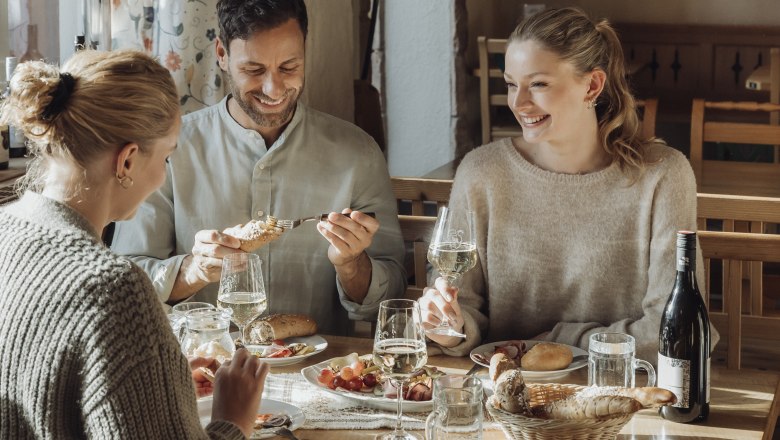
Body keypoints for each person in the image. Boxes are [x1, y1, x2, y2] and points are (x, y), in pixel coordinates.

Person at [419, 7, 718, 363]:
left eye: (538, 84)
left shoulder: (663, 175)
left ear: (592, 85)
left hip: (621, 395)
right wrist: (448, 326)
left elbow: (674, 329)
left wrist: (559, 341)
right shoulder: (482, 172)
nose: (519, 102)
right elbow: (463, 310)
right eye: (512, 84)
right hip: (504, 396)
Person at [0, 50, 268, 439]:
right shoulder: (114, 289)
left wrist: (157, 387)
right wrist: (234, 419)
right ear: (126, 161)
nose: (163, 175)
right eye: (166, 157)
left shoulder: (6, 229)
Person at [110, 0, 405, 335]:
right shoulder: (171, 150)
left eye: (289, 67)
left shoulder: (358, 154)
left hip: (321, 372)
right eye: (254, 70)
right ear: (222, 53)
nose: (273, 89)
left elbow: (393, 290)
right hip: (203, 369)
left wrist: (352, 264)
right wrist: (195, 271)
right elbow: (127, 279)